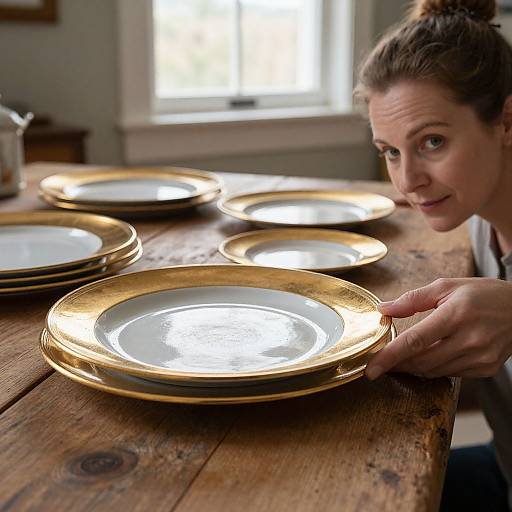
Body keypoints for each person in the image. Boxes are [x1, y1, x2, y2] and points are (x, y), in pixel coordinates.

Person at [355, 0, 512, 509]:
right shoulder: (481, 210)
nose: (408, 179)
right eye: (391, 152)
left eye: (433, 141)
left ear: (507, 121)